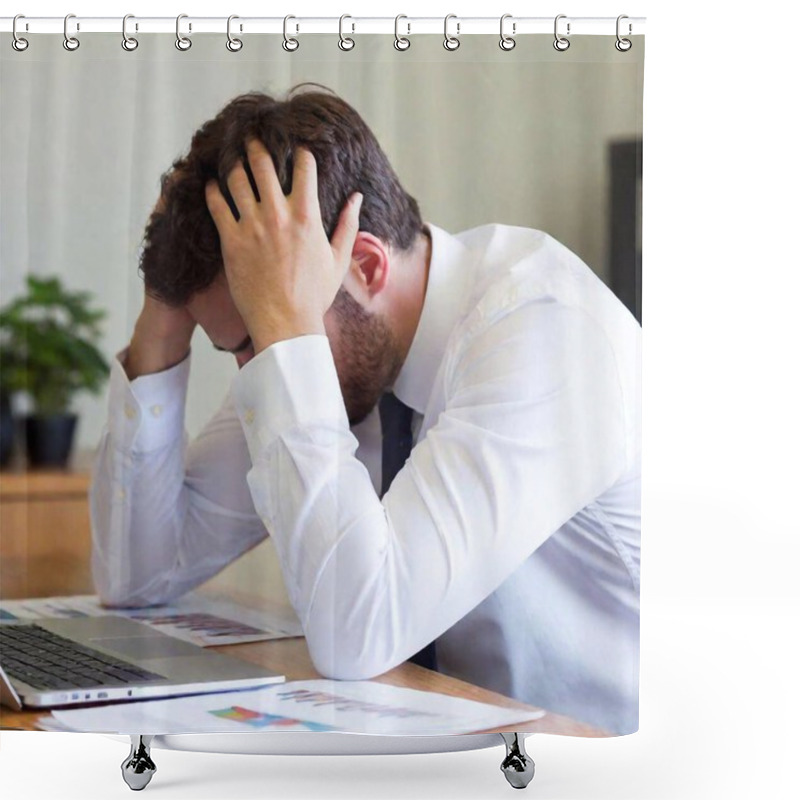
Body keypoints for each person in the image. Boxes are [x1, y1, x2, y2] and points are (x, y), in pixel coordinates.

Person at [90, 85, 641, 735]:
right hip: (454, 744)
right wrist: (162, 320)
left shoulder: (545, 332)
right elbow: (137, 576)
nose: (254, 371)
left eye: (257, 342)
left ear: (367, 267)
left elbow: (359, 631)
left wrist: (284, 334)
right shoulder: (340, 355)